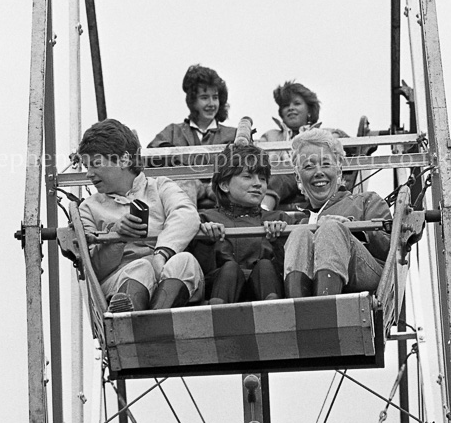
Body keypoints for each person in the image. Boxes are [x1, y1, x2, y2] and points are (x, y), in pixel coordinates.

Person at [77, 118, 204, 312]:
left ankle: (153, 321)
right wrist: (116, 236)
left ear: (124, 160)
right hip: (120, 280)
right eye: (87, 167)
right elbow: (92, 268)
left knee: (185, 261)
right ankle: (139, 317)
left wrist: (162, 253)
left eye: (96, 164)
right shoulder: (88, 208)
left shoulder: (160, 187)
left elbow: (187, 215)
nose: (89, 174)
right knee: (141, 268)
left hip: (164, 273)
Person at [279, 129, 391, 299]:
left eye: (326, 164)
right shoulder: (299, 222)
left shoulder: (366, 201)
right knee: (300, 233)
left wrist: (353, 230)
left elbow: (390, 247)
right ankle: (300, 306)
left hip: (367, 278)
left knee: (331, 229)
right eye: (308, 166)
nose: (318, 172)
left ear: (339, 170)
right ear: (298, 177)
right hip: (312, 291)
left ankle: (325, 306)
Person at [191, 144, 285, 304]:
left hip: (267, 287)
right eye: (248, 176)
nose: (258, 183)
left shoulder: (280, 220)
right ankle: (218, 311)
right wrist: (205, 242)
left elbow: (290, 269)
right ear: (224, 185)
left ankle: (272, 311)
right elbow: (199, 273)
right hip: (221, 288)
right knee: (230, 269)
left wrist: (279, 242)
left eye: (262, 178)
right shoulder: (204, 220)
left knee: (265, 266)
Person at [148, 64, 237, 209]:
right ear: (192, 100)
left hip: (219, 185)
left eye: (215, 97)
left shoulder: (233, 134)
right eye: (204, 97)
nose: (211, 103)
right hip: (187, 187)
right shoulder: (173, 131)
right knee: (185, 182)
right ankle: (186, 220)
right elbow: (152, 155)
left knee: (233, 187)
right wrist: (175, 159)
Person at [259, 81, 348, 210]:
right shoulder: (270, 136)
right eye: (286, 105)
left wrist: (337, 136)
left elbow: (352, 145)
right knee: (279, 177)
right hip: (281, 180)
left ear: (309, 110)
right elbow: (255, 156)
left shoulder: (323, 133)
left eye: (297, 103)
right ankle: (263, 210)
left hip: (311, 175)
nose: (291, 108)